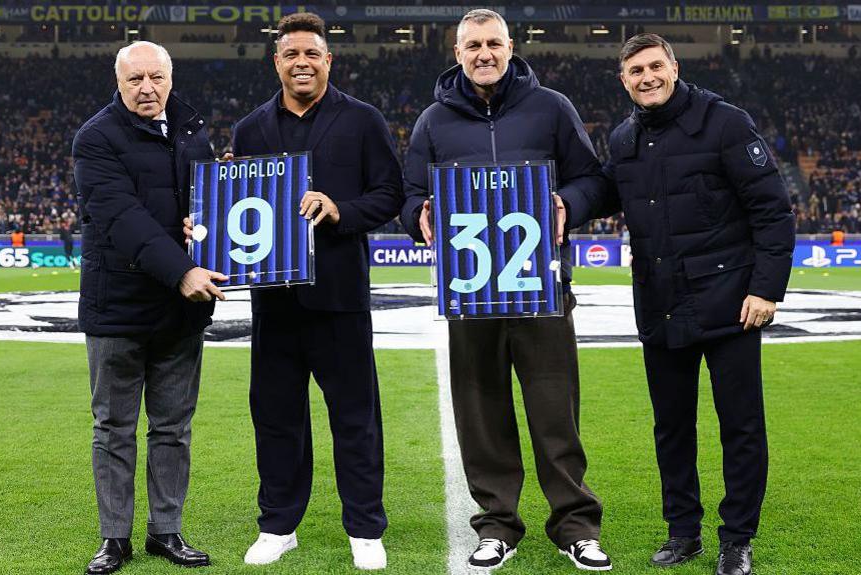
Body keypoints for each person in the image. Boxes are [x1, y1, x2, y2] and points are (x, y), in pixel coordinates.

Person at [567, 34, 795, 575]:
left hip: (730, 303)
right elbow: (602, 192)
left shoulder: (726, 123)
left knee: (740, 426)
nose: (647, 77)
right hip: (660, 303)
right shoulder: (624, 139)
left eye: (655, 66)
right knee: (671, 426)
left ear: (674, 67)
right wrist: (559, 202)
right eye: (635, 71)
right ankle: (683, 532)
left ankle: (737, 539)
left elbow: (773, 210)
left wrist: (766, 289)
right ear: (623, 81)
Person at [399, 9, 612, 572]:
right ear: (457, 51)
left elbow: (592, 179)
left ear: (511, 47)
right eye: (474, 46)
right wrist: (416, 214)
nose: (485, 54)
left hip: (542, 288)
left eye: (494, 43)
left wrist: (571, 203)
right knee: (480, 412)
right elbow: (409, 192)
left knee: (554, 410)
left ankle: (575, 525)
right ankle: (496, 526)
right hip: (469, 292)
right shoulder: (432, 122)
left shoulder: (551, 108)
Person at [225, 13, 403, 571]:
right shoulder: (250, 128)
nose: (301, 62)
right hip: (273, 301)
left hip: (339, 297)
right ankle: (278, 525)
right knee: (276, 417)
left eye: (312, 54)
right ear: (275, 61)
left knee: (354, 417)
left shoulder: (363, 120)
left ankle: (365, 528)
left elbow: (391, 194)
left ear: (329, 59)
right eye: (290, 54)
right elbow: (239, 214)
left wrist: (340, 210)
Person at [72, 40, 228, 575]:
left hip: (179, 314)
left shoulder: (193, 132)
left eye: (155, 77)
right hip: (117, 307)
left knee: (173, 428)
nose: (147, 88)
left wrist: (209, 220)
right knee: (113, 427)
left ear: (170, 77)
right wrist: (183, 268)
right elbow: (121, 218)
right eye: (135, 79)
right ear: (118, 82)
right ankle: (114, 538)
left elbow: (199, 214)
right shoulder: (95, 138)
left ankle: (166, 530)